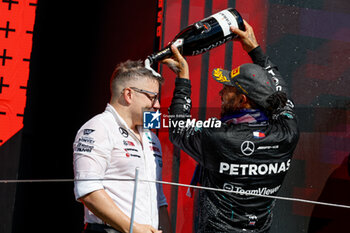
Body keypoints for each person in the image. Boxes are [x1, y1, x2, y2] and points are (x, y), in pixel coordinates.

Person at [162, 20, 300, 232]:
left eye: (227, 89)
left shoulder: (219, 138)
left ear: (243, 99)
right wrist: (255, 50)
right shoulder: (287, 132)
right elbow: (280, 95)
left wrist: (183, 79)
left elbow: (178, 129)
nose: (221, 93)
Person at [73, 60, 172, 233]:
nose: (157, 105)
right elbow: (87, 190)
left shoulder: (152, 138)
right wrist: (132, 228)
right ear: (129, 94)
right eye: (153, 97)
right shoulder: (98, 127)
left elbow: (159, 200)